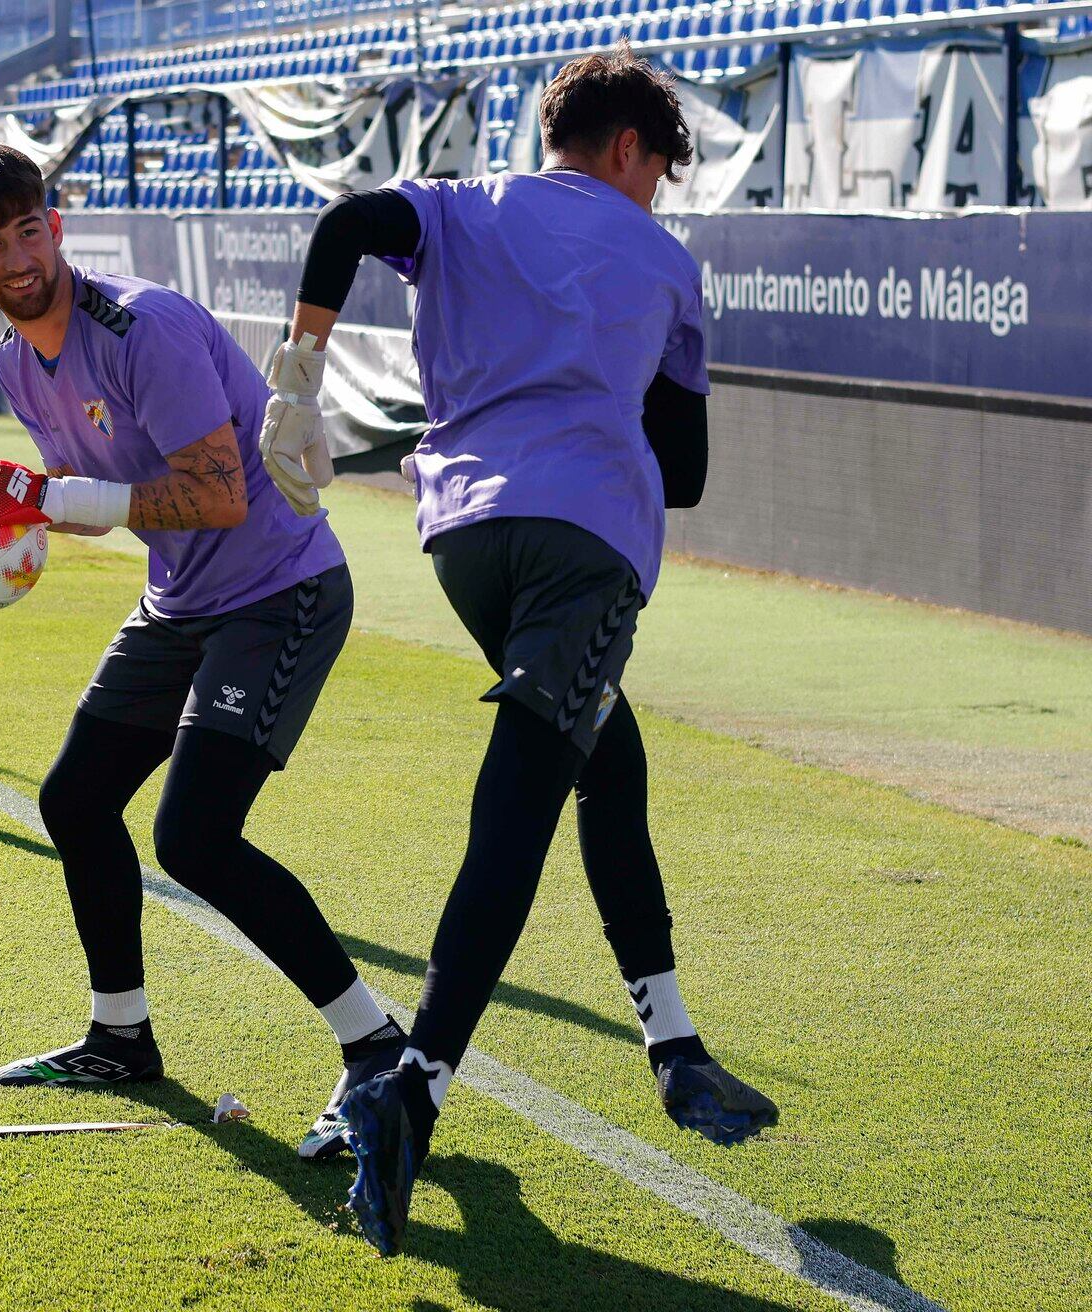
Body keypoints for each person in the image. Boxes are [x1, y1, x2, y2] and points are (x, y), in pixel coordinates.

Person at [260, 49, 778, 1256]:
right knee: (519, 811)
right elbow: (688, 479)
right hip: (583, 541)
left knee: (611, 755)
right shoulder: (663, 260)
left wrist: (301, 372)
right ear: (627, 151)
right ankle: (415, 1085)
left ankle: (675, 1045)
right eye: (658, 171)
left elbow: (346, 220)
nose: (656, 194)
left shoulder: (463, 202)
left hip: (465, 541)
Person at [0, 141, 404, 1158]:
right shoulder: (15, 361)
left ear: (57, 223)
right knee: (76, 799)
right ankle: (121, 1032)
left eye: (28, 228)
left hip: (280, 589)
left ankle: (378, 1054)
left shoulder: (146, 328)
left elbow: (218, 495)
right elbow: (95, 503)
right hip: (181, 600)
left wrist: (46, 498)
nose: (16, 257)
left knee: (196, 838)